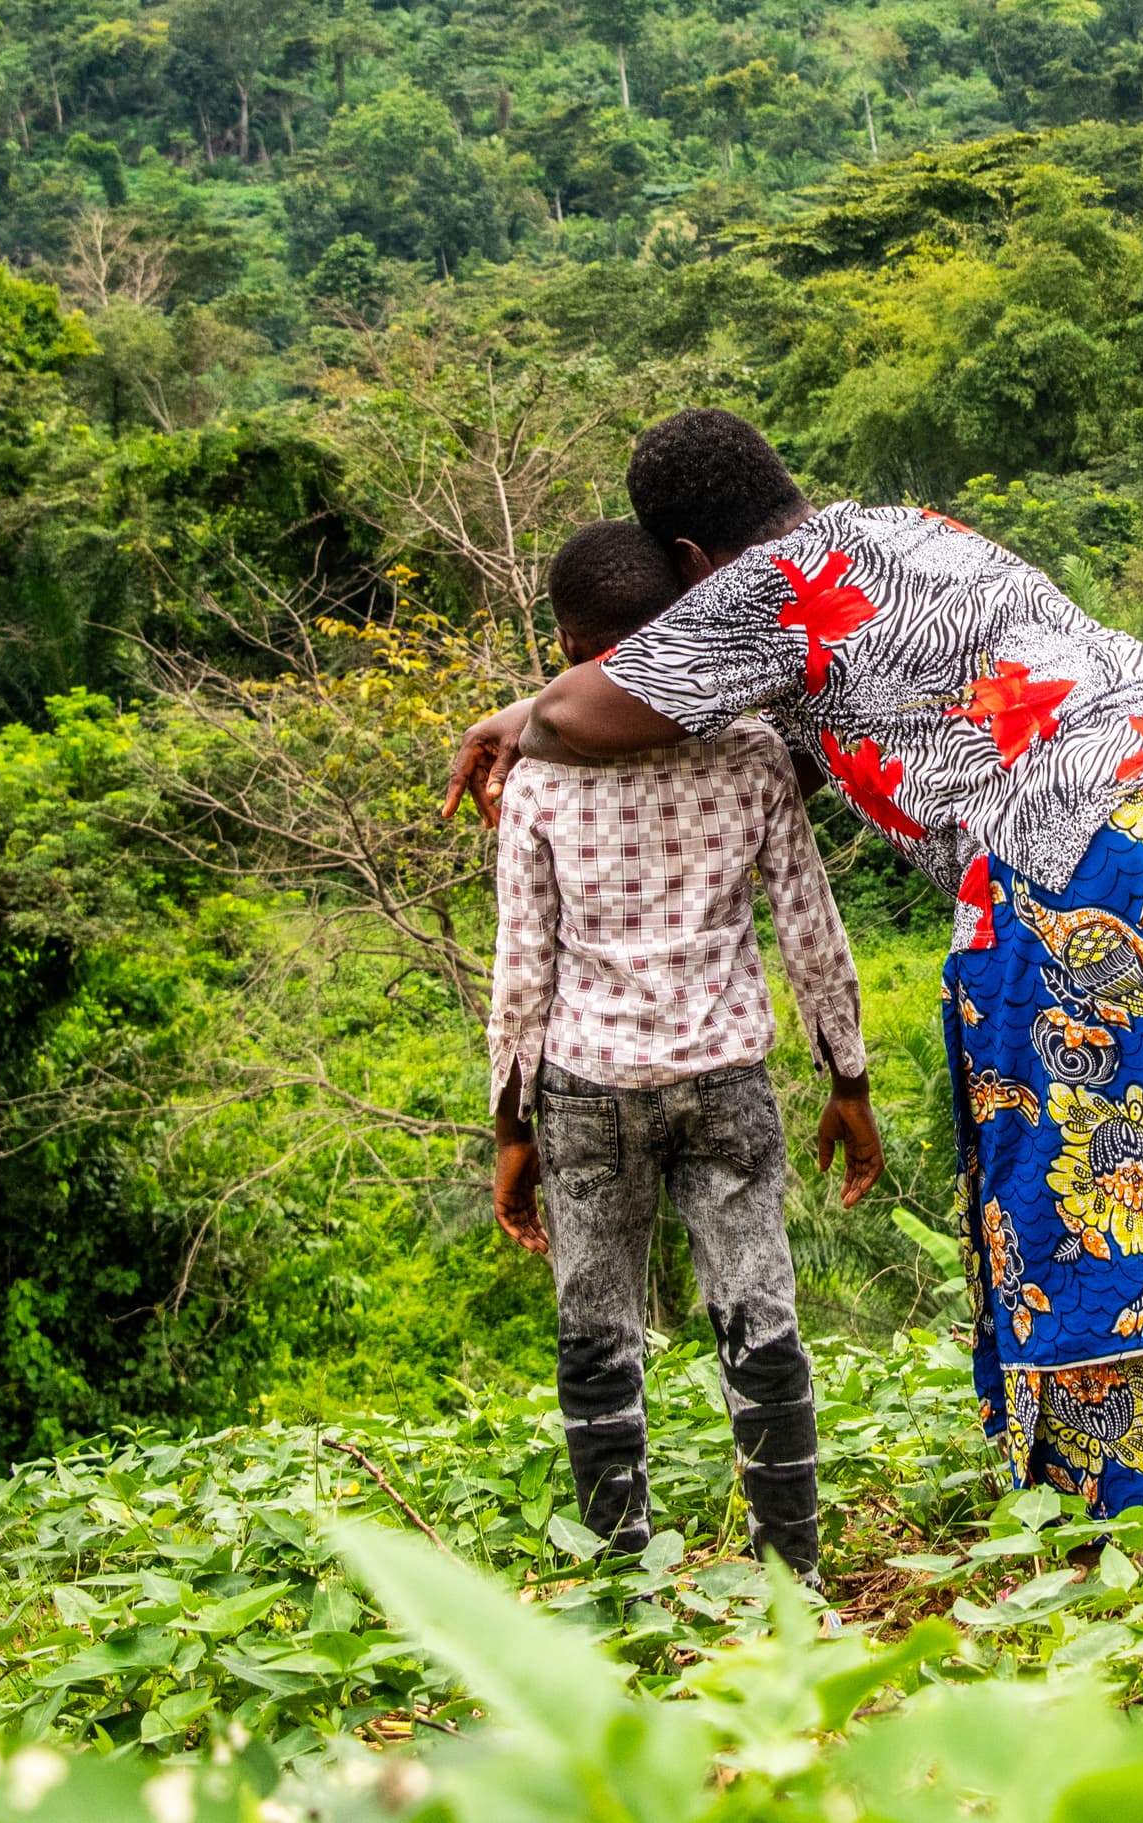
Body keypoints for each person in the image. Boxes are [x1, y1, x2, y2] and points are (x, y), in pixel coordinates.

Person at [454, 411, 1143, 1523]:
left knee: (1109, 1175)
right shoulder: (903, 527)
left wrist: (508, 718)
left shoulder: (766, 585)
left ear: (686, 561)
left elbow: (584, 714)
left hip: (1084, 836)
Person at [482, 516, 884, 1577]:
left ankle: (622, 1574)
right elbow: (813, 934)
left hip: (587, 1089)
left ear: (571, 650)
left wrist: (508, 1130)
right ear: (683, 634)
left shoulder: (538, 780)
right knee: (761, 1320)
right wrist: (848, 1076)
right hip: (726, 1081)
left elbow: (522, 972)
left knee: (596, 1333)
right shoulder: (751, 758)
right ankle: (790, 1573)